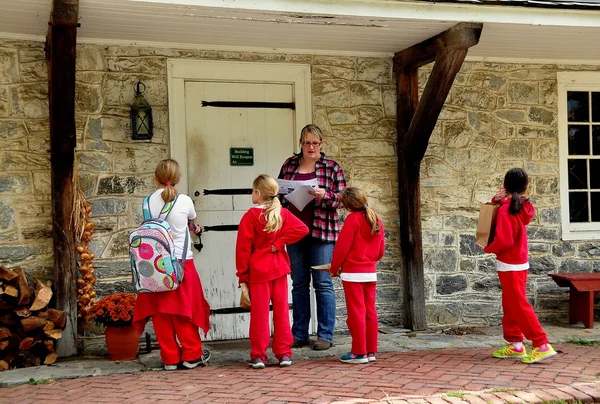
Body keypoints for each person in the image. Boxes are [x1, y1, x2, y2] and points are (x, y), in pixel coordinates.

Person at [133, 159, 211, 371]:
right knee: (184, 310)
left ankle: (169, 358)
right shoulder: (185, 201)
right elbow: (190, 221)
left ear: (155, 177)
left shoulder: (147, 202)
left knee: (160, 312)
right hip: (180, 262)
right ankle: (192, 355)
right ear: (178, 179)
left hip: (154, 264)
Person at [278, 124, 346, 351]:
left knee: (323, 283)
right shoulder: (289, 165)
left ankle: (325, 334)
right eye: (307, 143)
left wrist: (324, 195)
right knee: (298, 284)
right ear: (300, 143)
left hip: (322, 232)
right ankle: (299, 334)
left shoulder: (332, 168)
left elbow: (343, 200)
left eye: (315, 143)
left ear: (321, 143)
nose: (311, 147)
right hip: (294, 231)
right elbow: (277, 193)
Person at [483, 168, 556, 364]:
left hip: (509, 262)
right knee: (510, 303)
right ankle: (515, 344)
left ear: (505, 185)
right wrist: (497, 200)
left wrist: (488, 248)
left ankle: (541, 344)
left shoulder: (507, 209)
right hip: (519, 262)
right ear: (525, 187)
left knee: (518, 304)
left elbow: (504, 240)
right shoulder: (521, 205)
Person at [235, 174, 309, 369]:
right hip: (279, 270)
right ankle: (284, 354)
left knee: (259, 315)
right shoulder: (282, 213)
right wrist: (280, 242)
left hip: (259, 272)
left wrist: (242, 275)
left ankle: (259, 355)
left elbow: (242, 249)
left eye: (253, 191)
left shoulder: (250, 216)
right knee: (282, 313)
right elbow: (302, 229)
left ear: (258, 194)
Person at [329, 188, 385, 364]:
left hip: (353, 273)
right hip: (370, 272)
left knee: (356, 313)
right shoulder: (376, 219)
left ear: (347, 206)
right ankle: (370, 350)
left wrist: (333, 268)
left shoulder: (352, 220)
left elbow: (341, 249)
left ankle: (359, 352)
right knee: (370, 312)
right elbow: (381, 251)